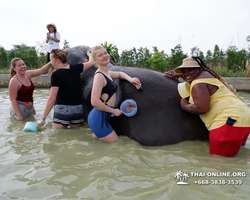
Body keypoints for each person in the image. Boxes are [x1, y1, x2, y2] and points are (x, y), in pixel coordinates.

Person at [169, 57, 250, 157]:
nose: (187, 73)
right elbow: (191, 76)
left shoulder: (198, 83)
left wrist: (185, 106)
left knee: (219, 163)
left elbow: (202, 108)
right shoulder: (209, 75)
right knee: (237, 159)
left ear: (199, 69)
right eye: (184, 71)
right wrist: (182, 75)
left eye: (190, 70)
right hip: (244, 119)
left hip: (228, 123)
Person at [88, 46, 142, 143]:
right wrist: (113, 111)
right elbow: (94, 102)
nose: (105, 56)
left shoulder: (106, 73)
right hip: (99, 118)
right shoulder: (99, 76)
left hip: (103, 116)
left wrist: (130, 79)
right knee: (116, 146)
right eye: (101, 55)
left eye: (105, 52)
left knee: (96, 146)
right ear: (95, 60)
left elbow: (120, 74)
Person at [37, 49, 94, 129]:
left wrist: (42, 118)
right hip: (77, 109)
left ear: (57, 61)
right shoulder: (76, 68)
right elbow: (92, 62)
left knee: (59, 137)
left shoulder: (56, 74)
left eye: (51, 60)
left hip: (62, 110)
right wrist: (89, 54)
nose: (50, 63)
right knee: (75, 136)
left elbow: (52, 98)